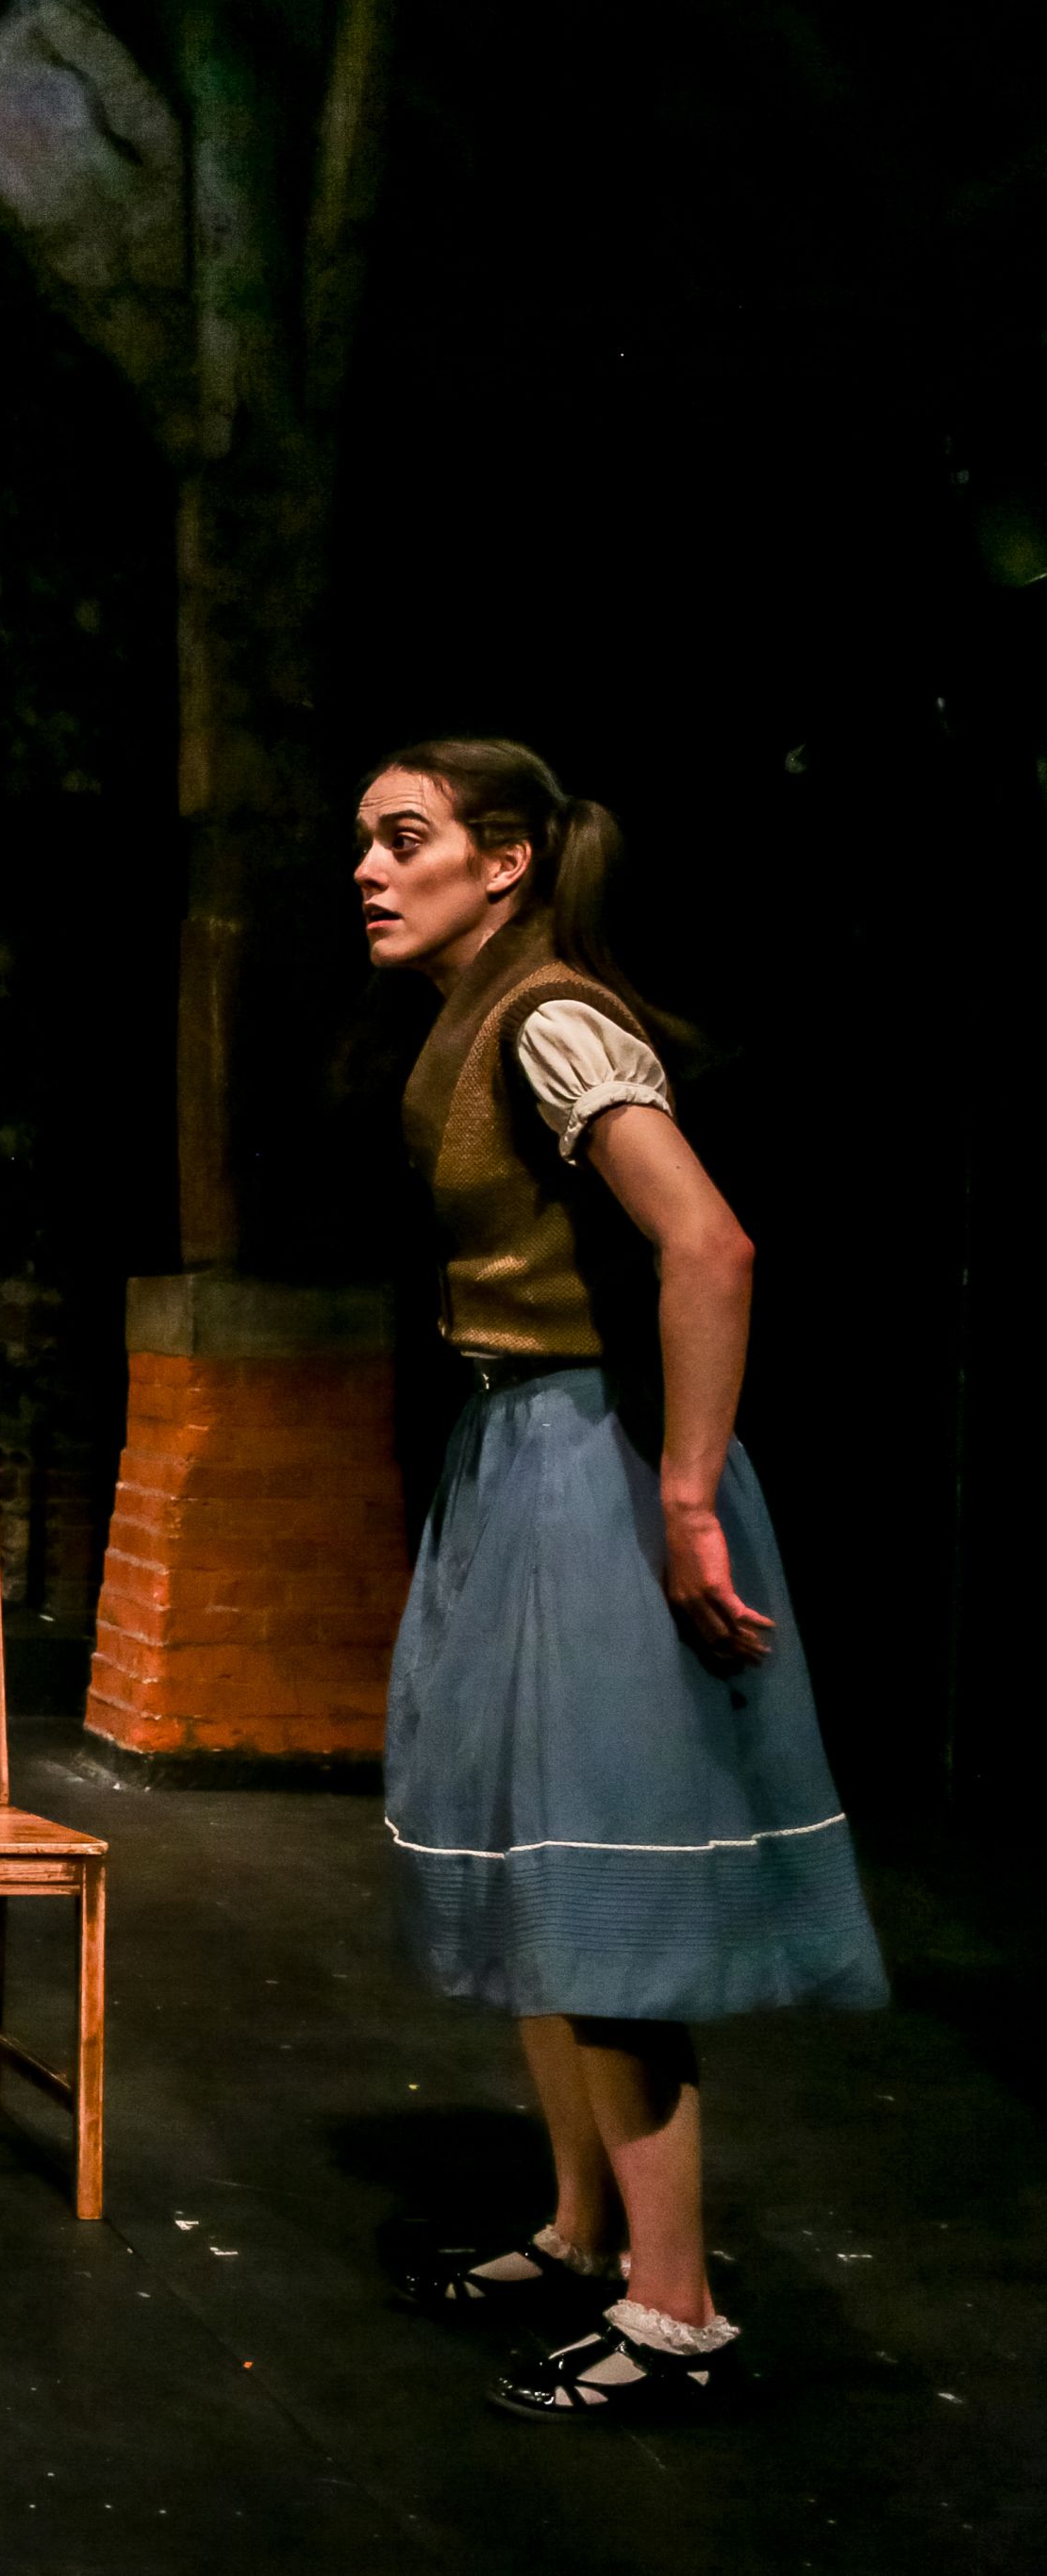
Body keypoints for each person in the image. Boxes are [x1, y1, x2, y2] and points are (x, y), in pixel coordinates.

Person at [353, 740, 885, 2421]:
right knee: (530, 1855)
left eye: (405, 838)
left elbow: (708, 1242)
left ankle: (677, 2312)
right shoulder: (474, 1012)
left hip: (589, 1460)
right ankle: (583, 2231)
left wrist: (680, 1492)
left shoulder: (550, 1015)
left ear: (502, 860)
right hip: (513, 1450)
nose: (369, 868)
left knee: (599, 1886)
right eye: (365, 841)